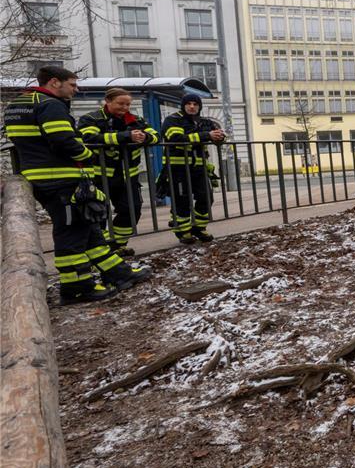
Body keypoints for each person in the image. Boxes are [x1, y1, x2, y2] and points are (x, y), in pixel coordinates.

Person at [3, 66, 151, 303]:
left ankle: (118, 273)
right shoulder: (50, 104)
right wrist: (87, 156)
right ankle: (77, 287)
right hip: (60, 178)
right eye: (72, 84)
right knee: (71, 232)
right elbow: (64, 139)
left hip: (43, 175)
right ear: (54, 82)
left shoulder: (19, 104)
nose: (76, 89)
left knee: (88, 228)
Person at [77, 88, 159, 257]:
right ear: (108, 101)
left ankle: (115, 245)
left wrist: (145, 137)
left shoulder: (135, 120)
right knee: (99, 214)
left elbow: (156, 136)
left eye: (128, 104)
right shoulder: (91, 119)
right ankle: (98, 251)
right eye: (120, 103)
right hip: (99, 177)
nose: (125, 107)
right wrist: (124, 136)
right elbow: (88, 139)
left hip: (128, 177)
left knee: (132, 210)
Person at [161, 93, 225, 244]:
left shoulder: (205, 122)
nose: (192, 106)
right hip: (178, 168)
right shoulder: (173, 120)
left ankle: (198, 228)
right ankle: (183, 232)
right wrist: (206, 135)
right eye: (188, 104)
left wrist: (219, 137)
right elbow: (176, 138)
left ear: (199, 106)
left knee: (206, 197)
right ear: (183, 106)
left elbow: (219, 137)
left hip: (199, 167)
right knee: (181, 201)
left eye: (195, 104)